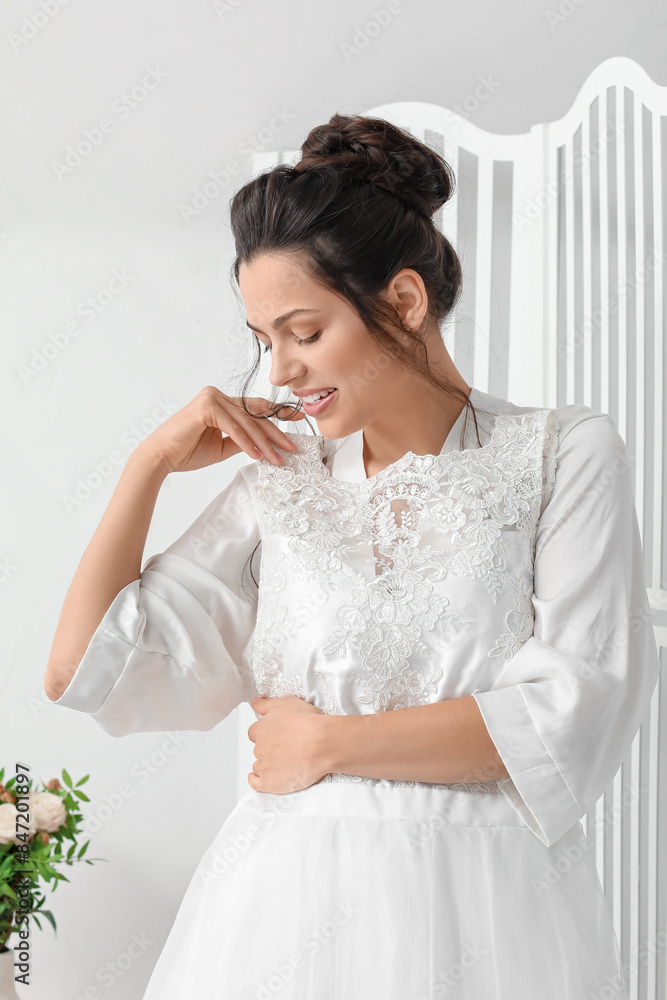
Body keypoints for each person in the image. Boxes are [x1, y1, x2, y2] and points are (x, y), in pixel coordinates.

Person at [44, 113, 660, 1000]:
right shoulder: (283, 476)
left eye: (302, 331)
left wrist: (330, 743)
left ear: (403, 302)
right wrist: (149, 464)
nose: (278, 375)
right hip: (280, 914)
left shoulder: (563, 453)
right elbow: (83, 672)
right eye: (263, 343)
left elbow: (573, 712)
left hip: (488, 916)